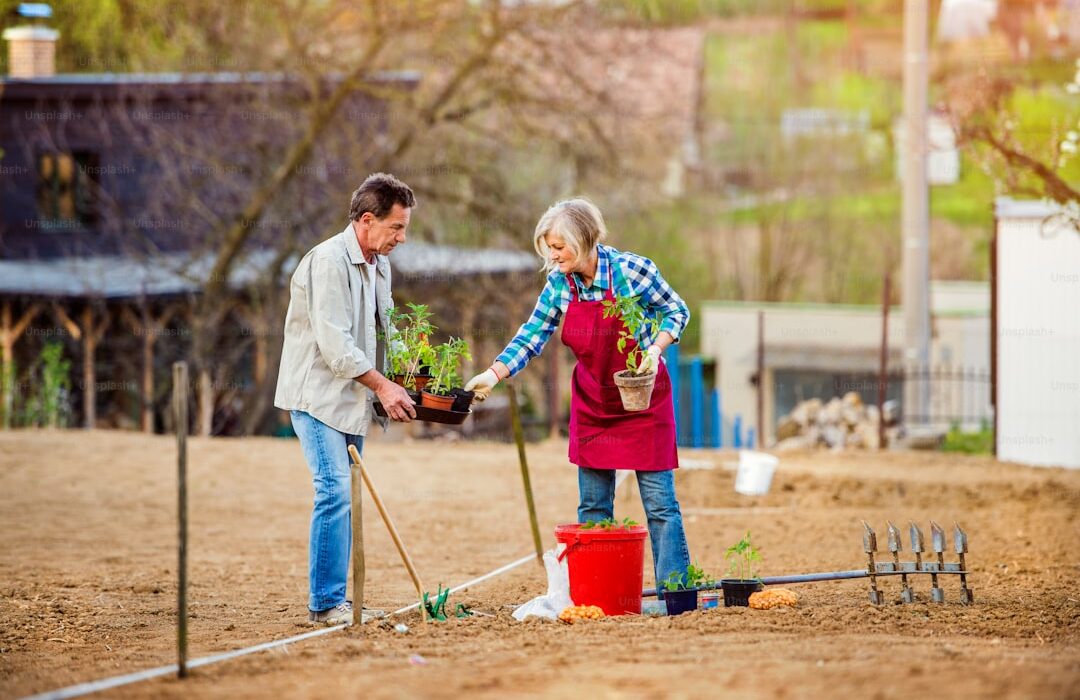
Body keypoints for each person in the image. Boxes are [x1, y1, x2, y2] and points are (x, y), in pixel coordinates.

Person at [465, 198, 692, 591]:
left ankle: (676, 593)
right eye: (548, 249)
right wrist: (493, 373)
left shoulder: (631, 271)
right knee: (593, 506)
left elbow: (677, 310)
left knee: (660, 506)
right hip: (594, 404)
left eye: (559, 247)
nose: (552, 257)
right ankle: (600, 590)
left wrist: (655, 349)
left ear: (584, 240)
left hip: (642, 399)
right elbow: (533, 334)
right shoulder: (559, 284)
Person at [274, 172, 418, 625]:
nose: (401, 237)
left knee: (349, 496)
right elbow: (335, 346)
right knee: (334, 490)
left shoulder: (379, 263)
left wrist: (414, 378)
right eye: (396, 227)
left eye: (404, 228)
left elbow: (387, 327)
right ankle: (325, 603)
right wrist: (383, 386)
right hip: (315, 396)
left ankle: (343, 601)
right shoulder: (328, 262)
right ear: (367, 220)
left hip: (351, 402)